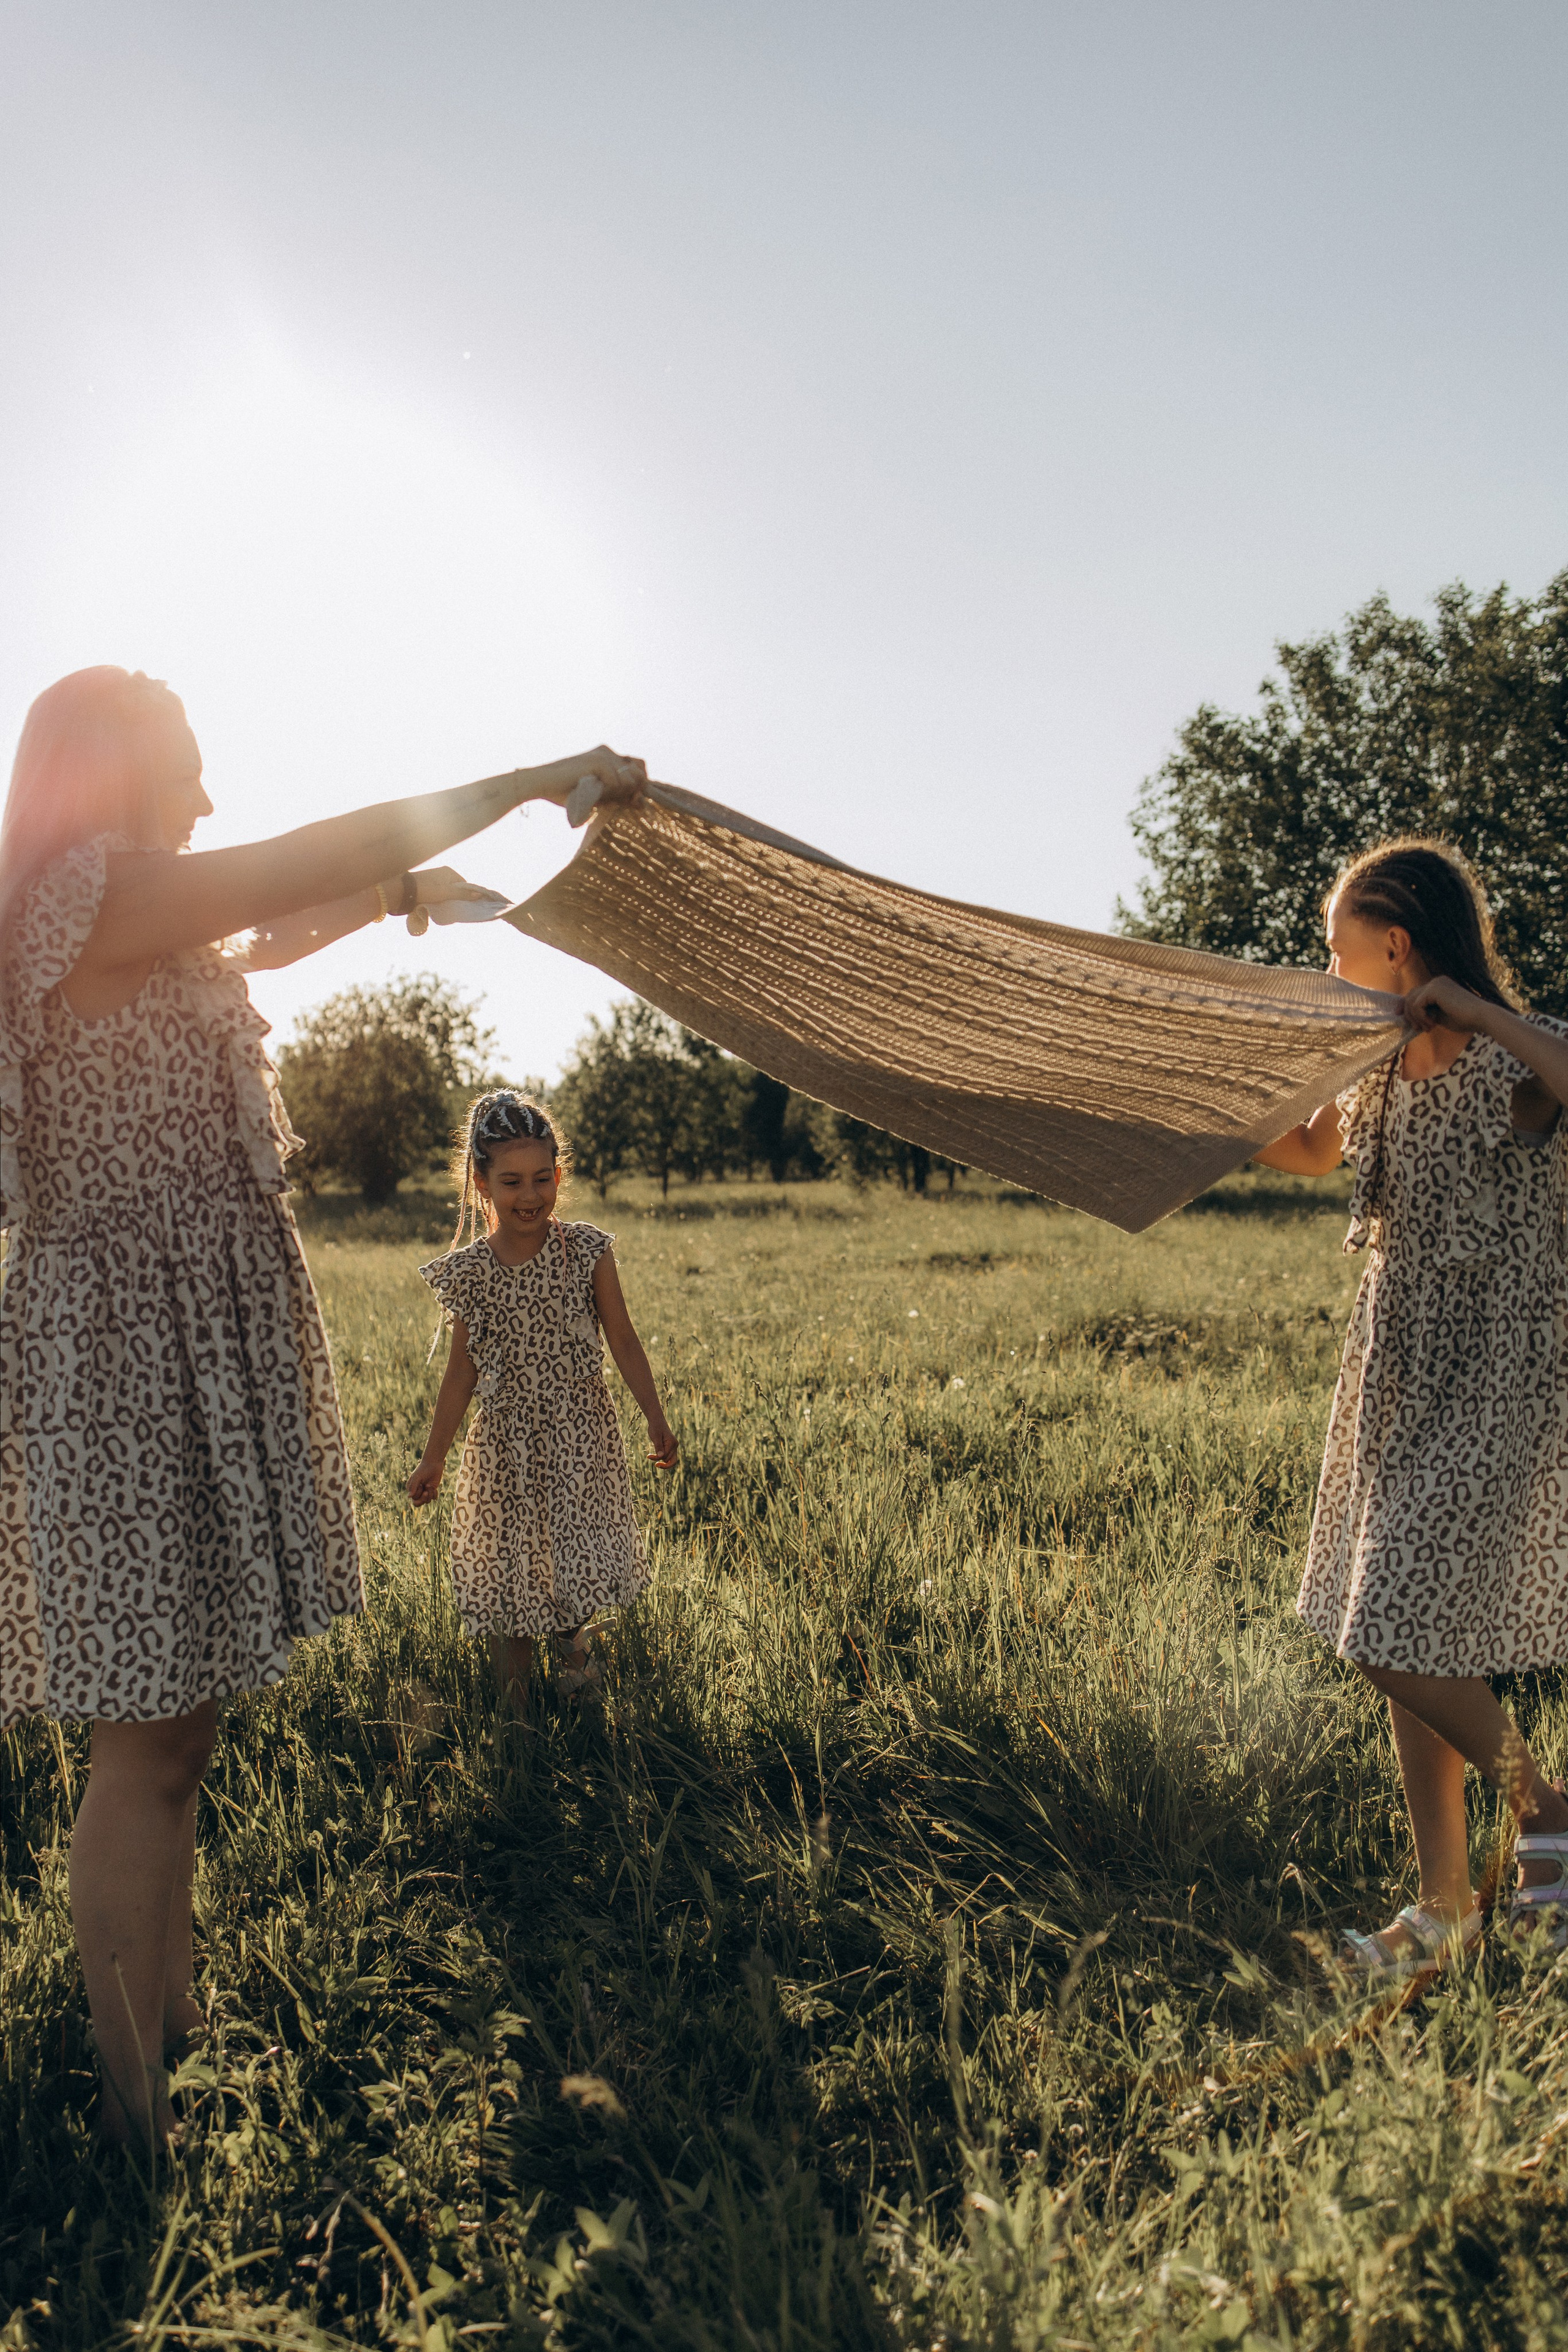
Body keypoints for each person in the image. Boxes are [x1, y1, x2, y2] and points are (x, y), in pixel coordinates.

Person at [0, 665, 647, 2147]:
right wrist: (525, 773)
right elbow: (297, 863)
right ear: (109, 774)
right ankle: (127, 2110)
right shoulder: (81, 896)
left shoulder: (140, 915)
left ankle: (172, 2024)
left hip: (187, 1337)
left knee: (185, 1726)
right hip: (120, 1355)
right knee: (141, 1738)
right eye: (188, 766)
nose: (211, 796)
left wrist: (410, 893)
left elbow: (281, 924)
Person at [1255, 837, 1568, 1979]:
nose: (1324, 966)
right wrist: (1217, 1104)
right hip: (1399, 1371)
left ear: (1396, 944)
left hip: (1501, 1376)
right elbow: (1307, 1150)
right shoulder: (1372, 1069)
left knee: (1388, 1619)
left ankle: (1548, 1813)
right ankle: (1443, 1908)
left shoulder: (1512, 1065)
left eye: (1335, 948)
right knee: (1404, 1624)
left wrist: (1482, 1018)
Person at [407, 1090, 676, 1709]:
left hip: (581, 1436)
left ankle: (577, 1664)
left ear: (559, 1175)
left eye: (540, 1179)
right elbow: (459, 1375)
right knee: (514, 1571)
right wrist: (433, 1458)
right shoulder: (471, 1271)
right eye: (510, 1182)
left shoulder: (586, 1251)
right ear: (481, 1184)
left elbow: (624, 1339)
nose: (528, 1196)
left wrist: (655, 1418)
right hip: (507, 1443)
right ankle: (516, 1709)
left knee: (572, 1557)